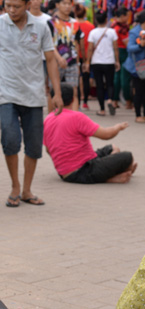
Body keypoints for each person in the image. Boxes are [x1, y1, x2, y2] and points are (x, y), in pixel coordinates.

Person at [0, 0, 63, 208]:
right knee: (9, 139)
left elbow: (51, 60)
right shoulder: (1, 24)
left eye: (16, 6)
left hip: (34, 95)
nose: (11, 10)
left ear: (27, 4)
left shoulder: (40, 26)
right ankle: (15, 187)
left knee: (34, 146)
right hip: (6, 94)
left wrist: (57, 93)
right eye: (7, 5)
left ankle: (26, 190)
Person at [44, 84, 137, 184]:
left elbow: (48, 150)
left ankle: (115, 173)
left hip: (64, 172)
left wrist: (64, 164)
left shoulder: (47, 119)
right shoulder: (76, 117)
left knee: (113, 148)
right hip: (84, 169)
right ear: (73, 99)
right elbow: (106, 135)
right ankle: (112, 177)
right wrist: (118, 127)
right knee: (127, 157)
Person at [47, 0, 84, 111]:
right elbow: (49, 43)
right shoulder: (51, 23)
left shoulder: (75, 23)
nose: (67, 6)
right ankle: (50, 120)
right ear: (57, 5)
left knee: (74, 91)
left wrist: (78, 63)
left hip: (71, 61)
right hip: (54, 61)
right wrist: (59, 58)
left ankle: (74, 121)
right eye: (64, 3)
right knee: (53, 90)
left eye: (69, 4)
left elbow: (76, 44)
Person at [124, 9, 145, 123]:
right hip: (138, 67)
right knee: (139, 91)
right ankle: (138, 114)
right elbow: (130, 48)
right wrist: (140, 45)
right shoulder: (135, 32)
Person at [86, 9, 120, 116]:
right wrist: (117, 61)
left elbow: (90, 48)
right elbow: (115, 48)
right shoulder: (112, 32)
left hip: (97, 62)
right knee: (110, 83)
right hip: (109, 61)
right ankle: (110, 99)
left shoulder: (93, 33)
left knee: (100, 85)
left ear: (96, 20)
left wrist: (87, 61)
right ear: (106, 19)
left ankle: (102, 109)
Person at [111, 7, 133, 110]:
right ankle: (128, 101)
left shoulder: (113, 26)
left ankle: (115, 101)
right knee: (124, 78)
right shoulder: (122, 29)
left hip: (115, 52)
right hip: (123, 52)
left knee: (116, 78)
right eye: (127, 16)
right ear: (123, 16)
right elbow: (127, 43)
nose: (128, 18)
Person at [74, 4, 94, 110]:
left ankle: (76, 103)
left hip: (75, 56)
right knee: (86, 78)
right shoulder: (90, 26)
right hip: (87, 56)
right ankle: (85, 102)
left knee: (76, 80)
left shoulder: (73, 24)